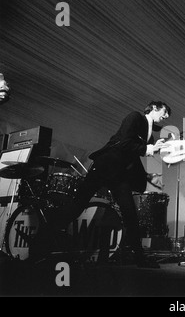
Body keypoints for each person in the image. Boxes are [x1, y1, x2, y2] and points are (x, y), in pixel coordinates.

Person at [48, 101, 171, 268]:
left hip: (119, 176)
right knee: (77, 206)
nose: (166, 116)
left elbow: (132, 157)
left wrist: (147, 176)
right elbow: (125, 143)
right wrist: (149, 149)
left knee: (130, 214)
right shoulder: (135, 117)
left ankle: (139, 258)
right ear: (154, 108)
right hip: (104, 167)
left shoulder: (149, 134)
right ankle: (44, 238)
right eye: (164, 112)